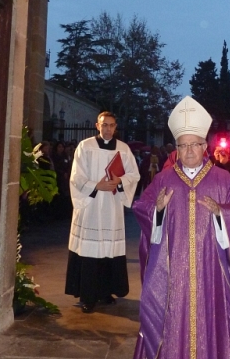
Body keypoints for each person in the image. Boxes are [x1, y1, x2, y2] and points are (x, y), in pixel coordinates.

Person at [133, 96, 230, 359]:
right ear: (176, 148)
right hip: (172, 271)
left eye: (194, 145)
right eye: (183, 146)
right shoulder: (163, 179)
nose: (188, 151)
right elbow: (140, 208)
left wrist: (222, 213)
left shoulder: (223, 179)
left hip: (211, 271)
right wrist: (158, 210)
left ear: (204, 146)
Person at [65, 111, 140, 313]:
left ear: (116, 127)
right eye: (104, 124)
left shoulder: (123, 150)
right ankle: (87, 296)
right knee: (90, 251)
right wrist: (95, 185)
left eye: (112, 125)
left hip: (112, 207)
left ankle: (106, 292)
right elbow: (76, 176)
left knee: (109, 251)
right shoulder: (85, 146)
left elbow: (134, 174)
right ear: (97, 126)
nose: (108, 128)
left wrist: (120, 182)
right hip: (91, 206)